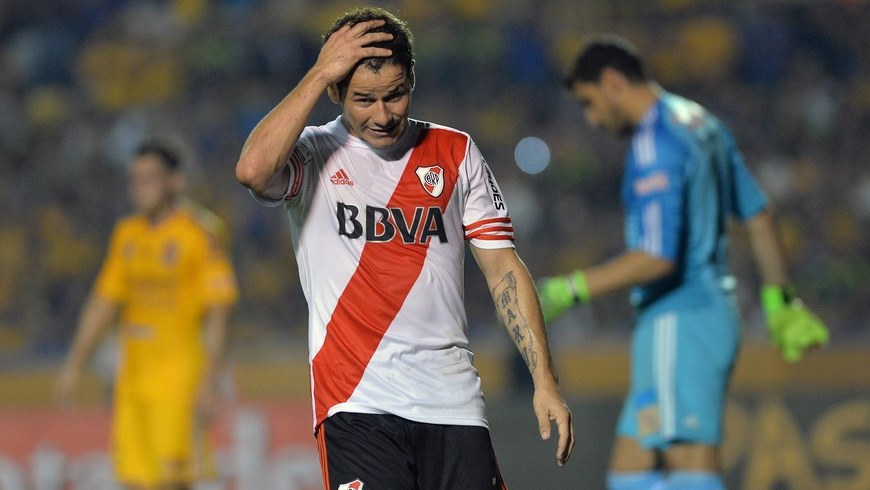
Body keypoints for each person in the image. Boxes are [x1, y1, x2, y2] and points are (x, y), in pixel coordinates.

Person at [235, 7, 574, 490]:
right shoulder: (311, 154)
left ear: (412, 80)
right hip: (356, 406)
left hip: (454, 404)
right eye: (364, 99)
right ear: (334, 92)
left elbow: (503, 269)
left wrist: (544, 379)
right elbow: (251, 171)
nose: (383, 114)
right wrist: (318, 72)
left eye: (395, 94)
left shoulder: (455, 152)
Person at [538, 36, 830, 490]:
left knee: (689, 462)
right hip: (687, 320)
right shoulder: (702, 124)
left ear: (613, 82)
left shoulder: (657, 141)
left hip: (684, 317)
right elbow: (758, 213)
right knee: (629, 472)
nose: (592, 119)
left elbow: (658, 257)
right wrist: (778, 300)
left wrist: (571, 288)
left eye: (590, 103)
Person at [55, 141, 239, 489]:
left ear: (175, 182)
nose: (140, 188)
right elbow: (103, 303)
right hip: (132, 382)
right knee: (136, 482)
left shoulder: (200, 234)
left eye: (150, 179)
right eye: (135, 180)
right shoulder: (127, 234)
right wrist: (74, 364)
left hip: (179, 380)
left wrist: (211, 381)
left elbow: (218, 313)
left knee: (173, 482)